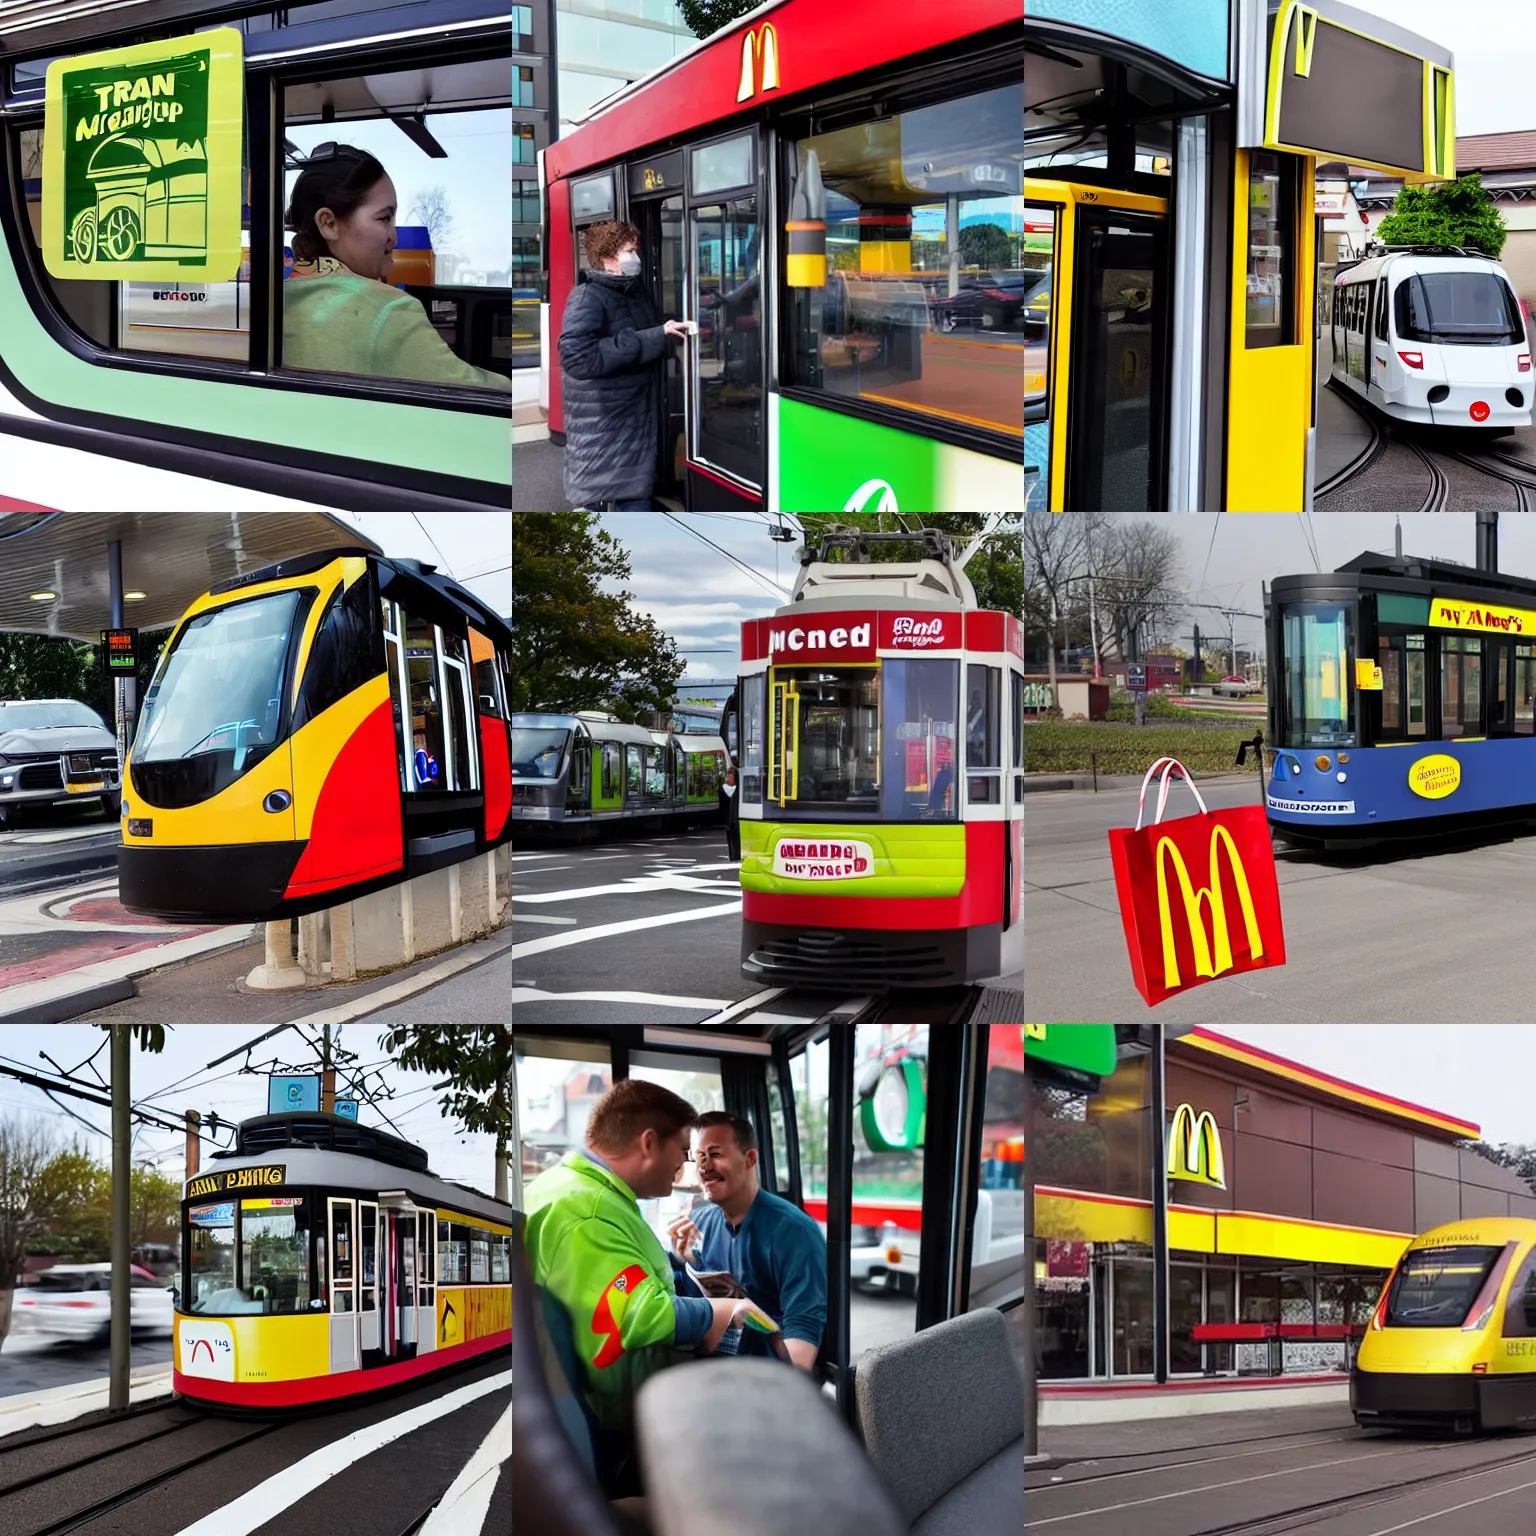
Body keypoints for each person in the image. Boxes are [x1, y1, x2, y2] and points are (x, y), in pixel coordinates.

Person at [522, 1080, 748, 1496]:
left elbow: (621, 1278)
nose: (683, 1171)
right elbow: (636, 1313)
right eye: (681, 1154)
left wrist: (678, 1267)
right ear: (648, 1143)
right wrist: (716, 1313)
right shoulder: (587, 1213)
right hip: (616, 1434)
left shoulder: (588, 1194)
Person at [282, 144, 511, 392]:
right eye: (384, 218)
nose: (394, 237)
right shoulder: (388, 309)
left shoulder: (276, 300)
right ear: (328, 224)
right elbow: (486, 397)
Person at [666, 1111, 827, 1372]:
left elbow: (803, 1333)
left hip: (764, 1376)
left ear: (750, 1158)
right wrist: (681, 1263)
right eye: (699, 1157)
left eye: (715, 1154)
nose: (705, 1166)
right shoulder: (698, 1223)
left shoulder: (794, 1232)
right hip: (712, 1366)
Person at [558, 219, 696, 512]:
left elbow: (643, 333)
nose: (636, 257)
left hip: (631, 419)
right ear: (609, 256)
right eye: (629, 250)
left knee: (629, 498)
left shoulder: (634, 291)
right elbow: (577, 357)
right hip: (607, 424)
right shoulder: (587, 296)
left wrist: (671, 327)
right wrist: (653, 336)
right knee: (624, 504)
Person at [718, 765, 740, 861]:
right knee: (733, 839)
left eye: (731, 775)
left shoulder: (723, 789)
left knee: (733, 839)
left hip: (730, 819)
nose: (729, 777)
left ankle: (734, 856)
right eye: (729, 775)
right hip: (733, 819)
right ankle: (734, 856)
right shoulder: (738, 789)